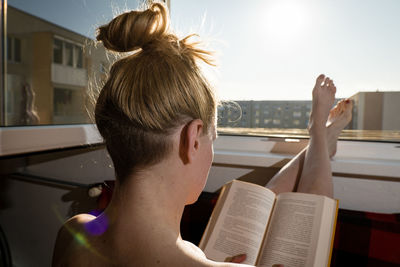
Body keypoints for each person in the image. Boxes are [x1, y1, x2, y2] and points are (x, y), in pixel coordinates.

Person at [52, 2, 353, 266]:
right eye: (213, 139)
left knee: (262, 204)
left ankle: (319, 140)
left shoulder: (73, 234)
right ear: (192, 139)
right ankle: (318, 138)